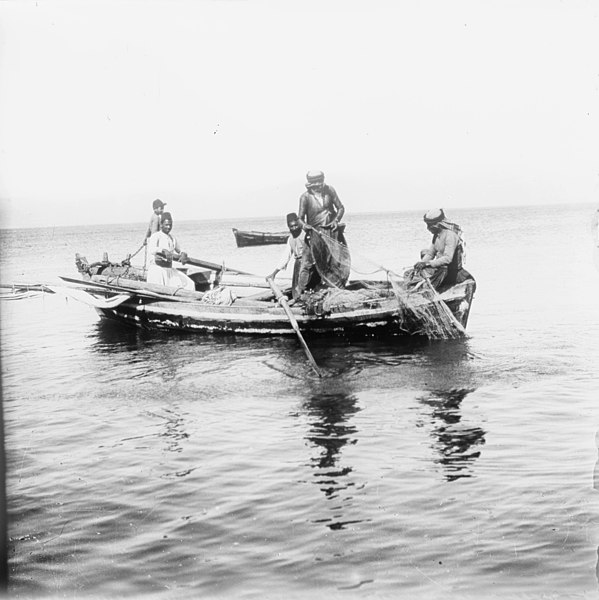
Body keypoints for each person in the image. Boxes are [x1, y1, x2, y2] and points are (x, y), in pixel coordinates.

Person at [296, 170, 347, 295]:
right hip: (315, 234)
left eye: (320, 181)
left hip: (332, 232)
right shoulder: (305, 197)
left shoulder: (330, 191)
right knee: (307, 263)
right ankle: (300, 292)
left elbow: (340, 208)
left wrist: (336, 221)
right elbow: (299, 218)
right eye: (316, 182)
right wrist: (305, 226)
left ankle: (337, 288)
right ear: (310, 184)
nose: (319, 185)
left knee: (335, 261)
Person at [412, 208, 475, 291]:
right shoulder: (437, 235)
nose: (428, 228)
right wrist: (421, 263)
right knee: (411, 271)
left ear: (438, 224)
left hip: (450, 273)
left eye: (429, 225)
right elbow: (431, 254)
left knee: (423, 285)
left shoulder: (450, 235)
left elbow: (447, 259)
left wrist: (427, 264)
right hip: (440, 270)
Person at [146, 212, 195, 291]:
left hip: (169, 270)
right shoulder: (156, 236)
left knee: (190, 284)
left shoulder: (172, 238)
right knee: (159, 291)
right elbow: (151, 249)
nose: (168, 227)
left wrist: (183, 254)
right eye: (166, 225)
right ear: (161, 225)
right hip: (157, 271)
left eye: (170, 225)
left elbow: (180, 249)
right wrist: (163, 250)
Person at [268, 212, 305, 299]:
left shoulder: (305, 235)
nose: (294, 228)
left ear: (299, 223)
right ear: (288, 227)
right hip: (298, 265)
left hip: (308, 264)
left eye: (296, 225)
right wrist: (274, 273)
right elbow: (286, 256)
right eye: (291, 226)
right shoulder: (290, 239)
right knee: (296, 291)